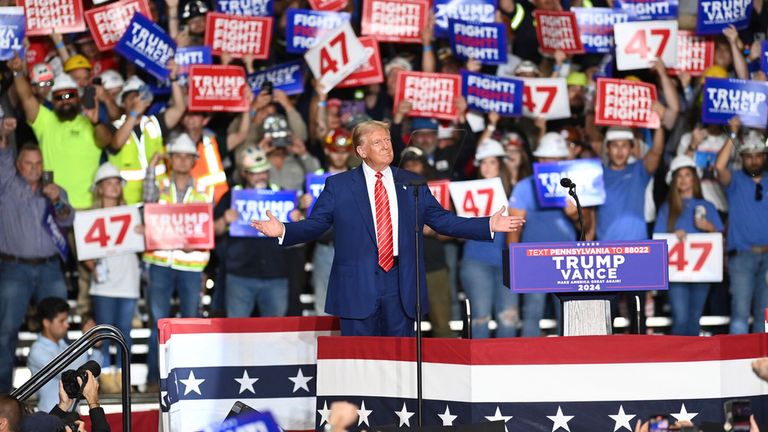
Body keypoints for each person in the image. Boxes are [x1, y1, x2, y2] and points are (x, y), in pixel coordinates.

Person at [252, 120, 525, 336]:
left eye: (387, 140)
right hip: (357, 282)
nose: (385, 146)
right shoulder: (340, 186)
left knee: (399, 359)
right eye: (377, 142)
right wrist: (284, 231)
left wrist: (487, 223)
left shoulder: (413, 183)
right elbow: (317, 224)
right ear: (361, 151)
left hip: (400, 281)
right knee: (360, 359)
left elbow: (442, 220)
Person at [0, 137, 73, 394]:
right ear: (18, 165)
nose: (34, 168)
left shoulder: (54, 190)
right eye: (28, 164)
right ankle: (3, 395)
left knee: (60, 327)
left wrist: (57, 201)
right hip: (14, 268)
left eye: (38, 163)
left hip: (49, 268)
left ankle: (66, 388)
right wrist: (6, 137)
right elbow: (2, 157)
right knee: (6, 331)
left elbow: (67, 220)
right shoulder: (6, 187)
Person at [142, 133, 213, 390]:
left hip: (191, 266)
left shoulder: (205, 190)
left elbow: (207, 227)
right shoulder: (159, 184)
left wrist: (193, 240)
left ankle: (188, 380)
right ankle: (153, 379)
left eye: (187, 156)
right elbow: (147, 205)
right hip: (161, 262)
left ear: (194, 160)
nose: (182, 160)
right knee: (158, 325)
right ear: (171, 159)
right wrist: (150, 169)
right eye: (178, 156)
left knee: (190, 325)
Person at [7, 56, 114, 210]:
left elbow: (106, 141)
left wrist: (95, 122)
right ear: (53, 101)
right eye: (59, 97)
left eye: (70, 95)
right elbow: (27, 98)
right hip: (56, 207)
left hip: (91, 208)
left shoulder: (90, 122)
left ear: (78, 98)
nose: (65, 100)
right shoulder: (45, 121)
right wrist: (17, 73)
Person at [508, 132, 588, 337]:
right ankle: (527, 361)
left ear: (564, 161)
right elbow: (514, 227)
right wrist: (515, 261)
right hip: (534, 259)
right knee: (532, 312)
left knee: (569, 314)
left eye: (555, 159)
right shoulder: (525, 186)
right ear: (539, 160)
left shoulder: (575, 185)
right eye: (545, 159)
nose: (549, 163)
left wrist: (575, 215)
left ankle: (569, 359)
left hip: (567, 259)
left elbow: (588, 228)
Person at [213, 146, 301, 318]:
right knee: (237, 332)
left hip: (276, 274)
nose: (261, 176)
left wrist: (297, 221)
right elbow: (213, 231)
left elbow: (297, 237)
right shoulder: (231, 196)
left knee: (275, 335)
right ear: (244, 173)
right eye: (255, 172)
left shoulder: (282, 195)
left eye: (264, 171)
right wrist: (224, 220)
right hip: (240, 276)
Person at [82, 163, 141, 393]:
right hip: (104, 284)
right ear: (99, 188)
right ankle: (104, 378)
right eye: (109, 183)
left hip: (128, 281)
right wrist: (90, 265)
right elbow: (84, 246)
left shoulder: (132, 213)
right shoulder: (91, 216)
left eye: (117, 183)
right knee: (103, 333)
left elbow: (142, 243)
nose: (114, 187)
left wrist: (143, 233)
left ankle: (123, 378)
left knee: (125, 333)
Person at [653, 156, 724, 336]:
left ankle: (694, 361)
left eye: (688, 175)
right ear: (674, 181)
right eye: (680, 176)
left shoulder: (708, 206)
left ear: (694, 178)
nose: (684, 180)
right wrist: (673, 236)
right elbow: (657, 240)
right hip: (677, 274)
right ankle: (679, 361)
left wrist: (710, 228)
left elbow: (720, 239)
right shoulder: (667, 209)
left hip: (703, 272)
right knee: (681, 318)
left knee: (694, 318)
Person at [461, 139, 518, 338]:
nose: (486, 167)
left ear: (500, 164)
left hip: (507, 261)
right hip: (476, 260)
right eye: (483, 162)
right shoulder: (466, 192)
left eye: (492, 162)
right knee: (480, 318)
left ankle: (507, 366)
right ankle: (478, 366)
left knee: (508, 319)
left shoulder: (515, 191)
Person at [715, 129, 768, 334]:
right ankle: (737, 365)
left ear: (764, 157)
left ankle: (762, 362)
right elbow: (719, 166)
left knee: (764, 317)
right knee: (740, 314)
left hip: (767, 257)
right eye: (749, 157)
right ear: (742, 158)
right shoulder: (735, 181)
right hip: (742, 256)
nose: (754, 161)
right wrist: (733, 134)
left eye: (758, 156)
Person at [110, 66, 186, 204]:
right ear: (122, 102)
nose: (136, 101)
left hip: (159, 198)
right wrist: (133, 113)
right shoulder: (114, 127)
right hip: (128, 202)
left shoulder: (154, 123)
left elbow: (179, 109)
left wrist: (174, 79)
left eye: (139, 97)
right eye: (131, 98)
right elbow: (116, 143)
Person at [27, 297, 103, 412]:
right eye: (62, 321)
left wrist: (96, 346)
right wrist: (87, 339)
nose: (67, 325)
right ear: (46, 322)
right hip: (50, 418)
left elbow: (91, 375)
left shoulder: (65, 347)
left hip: (72, 416)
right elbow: (69, 371)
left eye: (67, 320)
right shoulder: (37, 351)